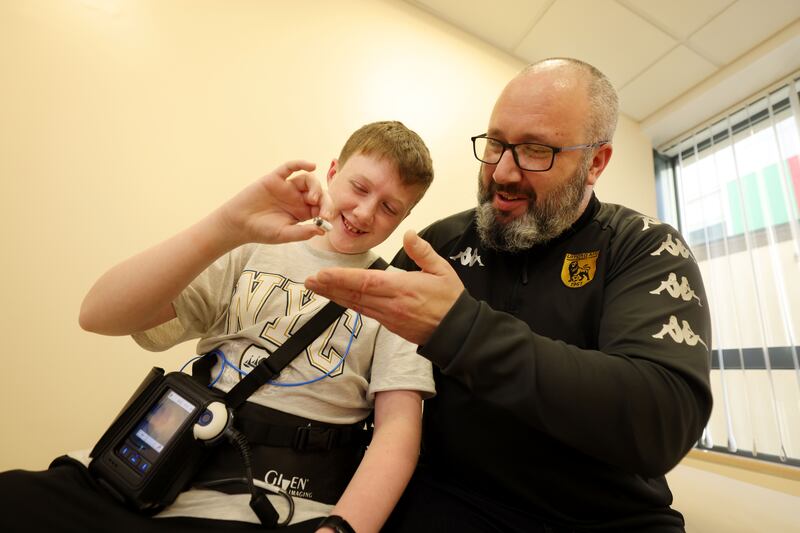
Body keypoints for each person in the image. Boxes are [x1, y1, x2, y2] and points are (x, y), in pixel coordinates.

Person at [304, 58, 713, 532]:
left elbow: (661, 420)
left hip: (606, 518)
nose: (502, 172)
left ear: (595, 162)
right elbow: (347, 363)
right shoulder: (441, 245)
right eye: (496, 144)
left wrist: (460, 330)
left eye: (536, 150)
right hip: (444, 502)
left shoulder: (643, 247)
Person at [0, 121, 436, 533]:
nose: (363, 212)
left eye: (389, 208)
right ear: (334, 171)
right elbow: (97, 314)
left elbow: (397, 433)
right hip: (163, 471)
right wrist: (227, 225)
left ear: (404, 217)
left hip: (277, 503)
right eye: (359, 187)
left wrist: (340, 527)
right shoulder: (252, 251)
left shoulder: (398, 298)